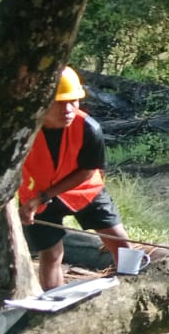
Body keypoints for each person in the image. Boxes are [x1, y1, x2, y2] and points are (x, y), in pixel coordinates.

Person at [19, 67, 136, 290]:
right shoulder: (23, 130)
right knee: (51, 254)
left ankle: (132, 287)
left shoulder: (89, 128)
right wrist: (28, 202)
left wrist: (46, 196)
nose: (69, 109)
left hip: (83, 189)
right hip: (36, 193)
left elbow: (87, 171)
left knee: (120, 241)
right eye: (60, 102)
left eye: (74, 101)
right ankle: (54, 304)